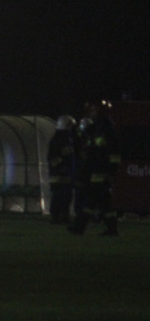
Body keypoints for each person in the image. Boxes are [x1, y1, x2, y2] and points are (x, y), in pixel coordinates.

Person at [68, 100, 121, 236]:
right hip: (95, 170)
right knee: (103, 202)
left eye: (93, 110)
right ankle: (111, 229)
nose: (91, 113)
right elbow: (85, 144)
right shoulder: (95, 128)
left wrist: (111, 170)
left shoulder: (107, 129)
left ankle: (80, 227)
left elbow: (113, 152)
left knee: (91, 200)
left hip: (101, 171)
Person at [46, 114, 77, 224]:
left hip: (67, 174)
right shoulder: (58, 140)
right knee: (58, 196)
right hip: (58, 175)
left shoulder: (68, 139)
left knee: (66, 197)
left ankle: (64, 216)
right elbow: (52, 157)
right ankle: (55, 216)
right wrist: (61, 167)